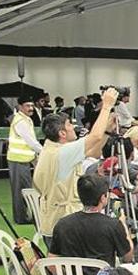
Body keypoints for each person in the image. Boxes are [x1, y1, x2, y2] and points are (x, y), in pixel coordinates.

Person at [33, 87, 117, 243]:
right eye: (70, 125)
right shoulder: (63, 152)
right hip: (64, 226)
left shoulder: (51, 147)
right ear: (62, 133)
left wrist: (107, 131)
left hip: (56, 223)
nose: (74, 127)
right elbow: (94, 137)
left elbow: (94, 152)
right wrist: (106, 106)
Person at [48, 174, 134, 275]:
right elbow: (128, 256)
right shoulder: (113, 225)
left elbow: (52, 261)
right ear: (103, 198)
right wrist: (124, 226)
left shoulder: (63, 224)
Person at [7, 95, 42, 224]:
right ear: (20, 107)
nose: (31, 108)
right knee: (21, 190)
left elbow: (29, 143)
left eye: (32, 106)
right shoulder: (21, 121)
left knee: (24, 189)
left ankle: (25, 216)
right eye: (27, 106)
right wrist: (45, 152)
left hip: (23, 160)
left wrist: (35, 156)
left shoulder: (25, 119)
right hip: (18, 161)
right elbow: (31, 142)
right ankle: (21, 218)